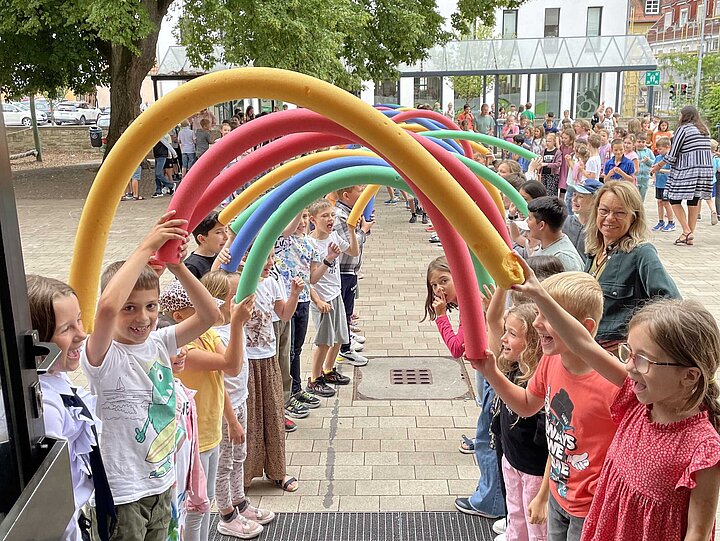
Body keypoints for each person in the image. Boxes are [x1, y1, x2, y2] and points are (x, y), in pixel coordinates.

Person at [512, 262, 720, 541]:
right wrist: (539, 295)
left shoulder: (703, 448)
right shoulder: (636, 400)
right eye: (629, 353)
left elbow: (698, 531)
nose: (630, 367)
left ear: (689, 376)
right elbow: (583, 344)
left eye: (643, 359)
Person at [80, 211, 221, 541]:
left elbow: (210, 315)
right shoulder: (102, 355)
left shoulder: (159, 341)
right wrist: (147, 247)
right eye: (129, 308)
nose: (142, 318)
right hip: (123, 491)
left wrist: (177, 266)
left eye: (151, 306)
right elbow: (105, 309)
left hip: (161, 480)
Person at [471, 270, 617, 541]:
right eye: (538, 313)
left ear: (584, 328)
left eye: (548, 316)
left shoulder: (610, 383)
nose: (537, 323)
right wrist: (491, 373)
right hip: (558, 492)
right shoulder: (551, 361)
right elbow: (527, 405)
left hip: (590, 505)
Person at [27, 276, 116, 541]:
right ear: (37, 342)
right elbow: (50, 495)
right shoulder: (44, 409)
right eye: (66, 329)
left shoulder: (53, 375)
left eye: (79, 320)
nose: (81, 333)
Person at [159, 277, 249, 541]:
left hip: (210, 433)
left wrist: (231, 420)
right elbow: (231, 365)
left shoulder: (207, 334)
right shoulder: (181, 349)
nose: (210, 313)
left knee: (204, 501)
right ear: (179, 316)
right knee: (193, 509)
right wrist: (236, 324)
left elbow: (226, 374)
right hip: (191, 441)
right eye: (200, 309)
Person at [421, 257, 505, 521]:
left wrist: (442, 317)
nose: (438, 289)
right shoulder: (472, 302)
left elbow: (458, 348)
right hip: (491, 372)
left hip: (496, 374)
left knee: (487, 439)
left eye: (444, 281)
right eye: (434, 284)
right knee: (490, 435)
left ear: (461, 276)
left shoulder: (472, 306)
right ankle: (497, 498)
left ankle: (491, 501)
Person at [204, 271, 277, 537]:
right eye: (235, 297)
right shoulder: (214, 335)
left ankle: (240, 503)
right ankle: (225, 515)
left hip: (239, 402)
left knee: (239, 457)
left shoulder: (231, 327)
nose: (243, 302)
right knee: (224, 464)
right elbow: (221, 380)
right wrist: (232, 421)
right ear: (219, 301)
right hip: (225, 411)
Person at [585, 181, 680, 350]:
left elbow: (671, 303)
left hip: (619, 358)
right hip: (590, 349)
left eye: (620, 213)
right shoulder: (594, 250)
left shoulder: (641, 253)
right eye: (604, 211)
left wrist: (632, 337)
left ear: (634, 217)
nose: (609, 218)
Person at [485, 289, 547, 541]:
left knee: (536, 527)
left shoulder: (539, 382)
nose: (503, 339)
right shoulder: (510, 368)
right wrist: (502, 287)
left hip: (534, 469)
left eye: (512, 334)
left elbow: (549, 442)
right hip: (511, 459)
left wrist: (544, 494)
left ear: (532, 342)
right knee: (515, 513)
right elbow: (492, 321)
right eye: (505, 332)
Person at [244, 252, 303, 491]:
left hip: (268, 358)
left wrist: (294, 295)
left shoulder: (271, 281)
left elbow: (284, 314)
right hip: (245, 360)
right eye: (263, 257)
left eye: (271, 256)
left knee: (274, 415)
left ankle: (277, 471)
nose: (269, 263)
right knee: (249, 419)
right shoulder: (236, 283)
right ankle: (244, 474)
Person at [307, 198, 360, 397]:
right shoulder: (310, 244)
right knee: (324, 341)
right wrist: (328, 259)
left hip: (335, 292)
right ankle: (314, 378)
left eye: (332, 215)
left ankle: (328, 370)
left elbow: (353, 251)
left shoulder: (335, 236)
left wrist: (352, 230)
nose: (330, 219)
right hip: (322, 297)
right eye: (325, 216)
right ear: (313, 220)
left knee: (340, 336)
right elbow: (310, 279)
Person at [272, 210, 324, 411]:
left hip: (302, 299)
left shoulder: (309, 243)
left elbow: (312, 278)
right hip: (285, 300)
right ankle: (286, 394)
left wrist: (328, 260)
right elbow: (287, 230)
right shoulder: (281, 240)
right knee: (288, 350)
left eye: (304, 217)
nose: (301, 222)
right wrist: (297, 207)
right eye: (298, 216)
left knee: (297, 349)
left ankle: (296, 388)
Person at [650, 105, 713, 247]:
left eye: (680, 115)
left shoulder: (683, 130)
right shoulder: (705, 130)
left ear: (685, 116)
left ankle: (686, 230)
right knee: (694, 200)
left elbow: (673, 154)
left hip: (689, 169)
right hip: (705, 170)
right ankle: (689, 234)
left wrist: (658, 166)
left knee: (673, 197)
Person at [334, 186, 374, 366]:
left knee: (347, 309)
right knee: (344, 310)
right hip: (343, 270)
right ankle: (344, 348)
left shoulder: (350, 212)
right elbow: (349, 247)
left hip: (349, 270)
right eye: (360, 191)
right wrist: (363, 230)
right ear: (346, 195)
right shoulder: (341, 216)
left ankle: (346, 339)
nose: (363, 194)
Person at [526, 196, 584, 272]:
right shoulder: (545, 246)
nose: (526, 222)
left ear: (541, 225)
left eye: (530, 218)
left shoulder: (564, 258)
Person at [562, 177, 602, 260]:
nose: (574, 199)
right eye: (574, 195)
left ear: (595, 201)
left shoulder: (601, 229)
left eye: (580, 196)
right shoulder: (564, 222)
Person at [184, 211, 229, 280]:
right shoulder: (191, 267)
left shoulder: (222, 257)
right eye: (218, 232)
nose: (226, 236)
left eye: (226, 230)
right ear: (202, 239)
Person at [650, 137, 676, 232]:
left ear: (667, 147)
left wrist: (659, 169)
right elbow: (654, 167)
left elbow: (672, 171)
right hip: (659, 184)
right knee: (659, 202)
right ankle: (660, 221)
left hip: (667, 184)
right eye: (658, 149)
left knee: (666, 203)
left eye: (660, 149)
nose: (659, 151)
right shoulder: (657, 158)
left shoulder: (670, 159)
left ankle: (671, 222)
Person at [540, 132, 561, 197]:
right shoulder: (543, 151)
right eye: (546, 141)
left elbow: (558, 164)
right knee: (544, 191)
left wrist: (546, 164)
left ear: (554, 142)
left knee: (551, 193)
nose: (547, 143)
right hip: (544, 174)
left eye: (549, 141)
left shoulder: (557, 152)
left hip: (553, 175)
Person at [635, 136, 655, 202]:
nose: (641, 144)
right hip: (636, 179)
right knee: (635, 198)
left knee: (642, 198)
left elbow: (654, 163)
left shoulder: (648, 151)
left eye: (643, 142)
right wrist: (640, 162)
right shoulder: (634, 152)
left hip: (645, 179)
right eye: (639, 142)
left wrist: (648, 160)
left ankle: (640, 211)